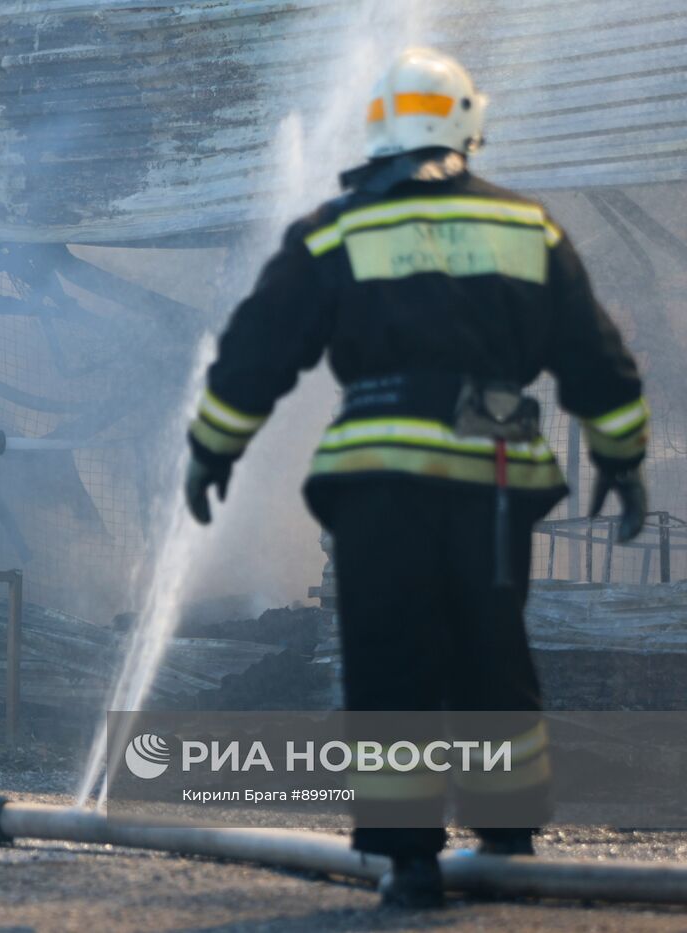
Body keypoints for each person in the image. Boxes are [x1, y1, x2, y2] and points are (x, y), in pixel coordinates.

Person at [183, 48, 649, 908]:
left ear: (380, 131)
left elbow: (257, 350)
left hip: (379, 480)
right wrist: (620, 455)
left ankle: (408, 865)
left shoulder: (336, 230)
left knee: (388, 655)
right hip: (494, 477)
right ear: (468, 124)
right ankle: (508, 836)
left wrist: (212, 447)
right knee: (491, 646)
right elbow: (596, 357)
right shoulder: (528, 228)